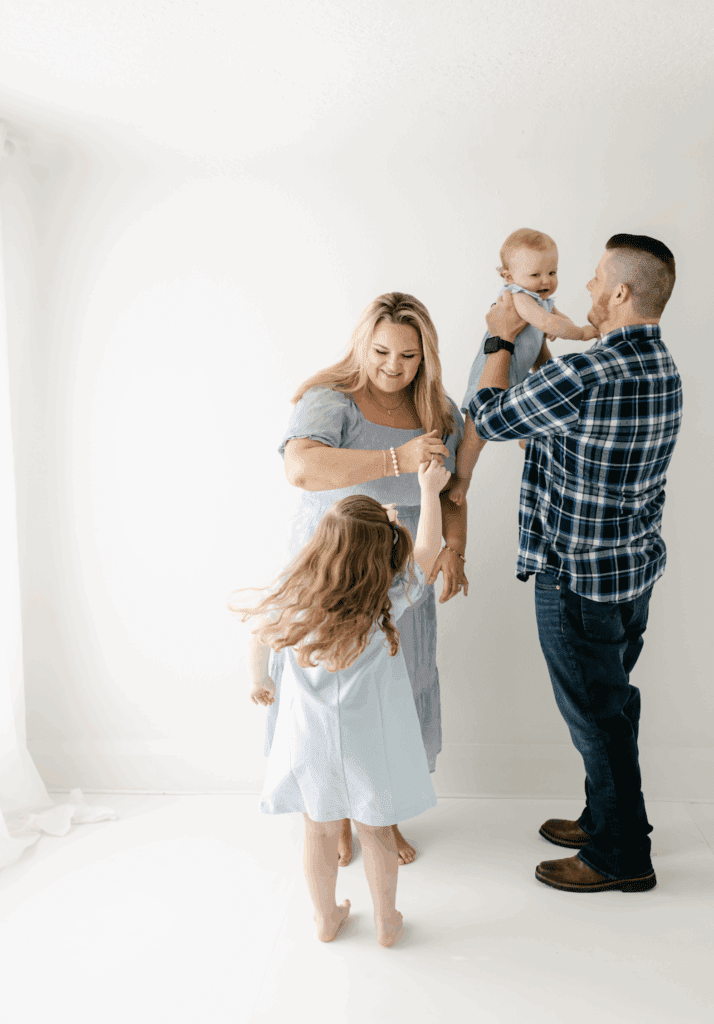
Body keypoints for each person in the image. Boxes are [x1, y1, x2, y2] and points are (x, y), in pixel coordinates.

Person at [468, 234, 682, 892]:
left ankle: (622, 855)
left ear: (620, 292)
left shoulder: (587, 373)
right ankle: (605, 819)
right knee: (613, 707)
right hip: (631, 576)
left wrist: (500, 339)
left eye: (594, 278)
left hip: (577, 581)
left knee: (597, 719)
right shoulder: (664, 368)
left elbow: (489, 418)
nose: (584, 287)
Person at [265, 292, 467, 867]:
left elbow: (452, 491)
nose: (392, 367)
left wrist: (455, 548)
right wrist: (395, 459)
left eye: (408, 355)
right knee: (327, 700)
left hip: (403, 580)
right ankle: (330, 813)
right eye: (381, 352)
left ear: (425, 356)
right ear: (362, 344)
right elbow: (301, 468)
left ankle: (381, 814)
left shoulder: (439, 411)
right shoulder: (330, 399)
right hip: (332, 577)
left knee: (393, 694)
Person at [232, 458, 452, 947]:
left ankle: (325, 917)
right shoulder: (384, 599)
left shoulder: (293, 597)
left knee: (318, 831)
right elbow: (428, 550)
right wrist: (428, 490)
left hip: (308, 739)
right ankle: (386, 922)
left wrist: (258, 680)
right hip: (369, 740)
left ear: (321, 544)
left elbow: (258, 636)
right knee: (376, 831)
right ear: (379, 554)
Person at [450, 228, 599, 505]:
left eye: (552, 272)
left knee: (539, 400)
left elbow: (557, 320)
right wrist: (582, 333)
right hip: (489, 376)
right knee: (473, 438)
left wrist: (563, 326)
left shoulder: (542, 301)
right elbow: (548, 322)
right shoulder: (517, 297)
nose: (546, 281)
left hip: (518, 376)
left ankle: (527, 435)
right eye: (535, 275)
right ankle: (462, 479)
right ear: (509, 277)